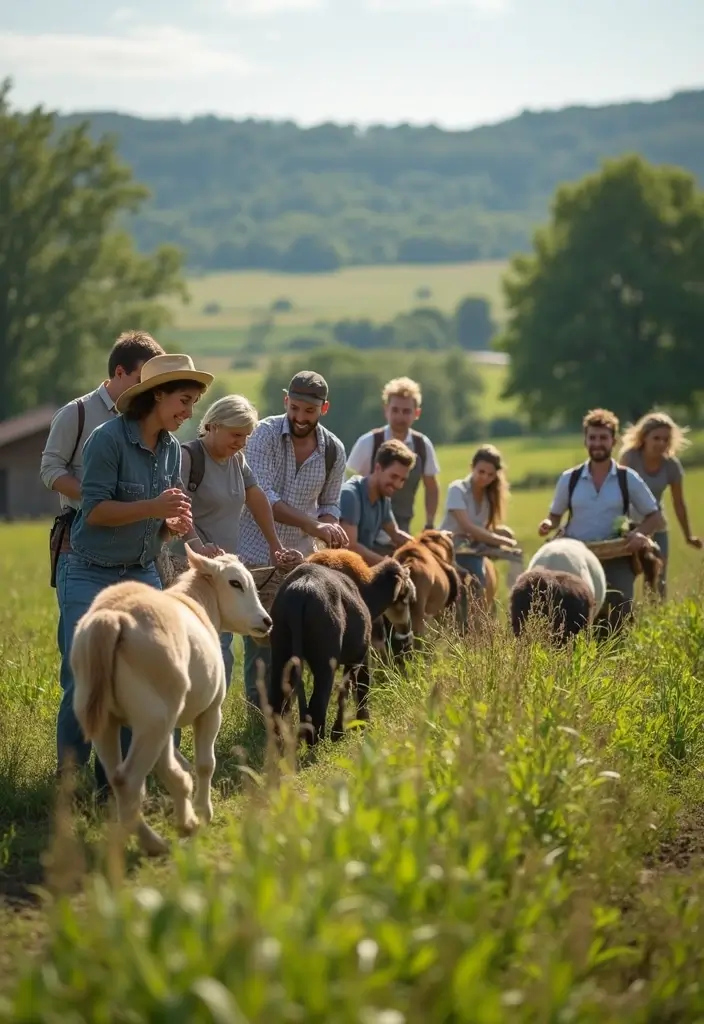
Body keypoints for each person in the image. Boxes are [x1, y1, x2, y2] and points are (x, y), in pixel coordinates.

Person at [58, 353, 213, 799]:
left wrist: (172, 524)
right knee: (85, 675)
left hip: (142, 570)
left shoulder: (169, 449)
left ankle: (128, 784)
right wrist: (154, 508)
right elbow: (96, 510)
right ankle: (69, 782)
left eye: (193, 403)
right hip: (87, 570)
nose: (189, 413)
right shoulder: (106, 440)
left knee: (153, 675)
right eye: (184, 401)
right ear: (157, 395)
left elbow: (155, 520)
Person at [39, 330, 166, 794]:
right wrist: (98, 495)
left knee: (135, 673)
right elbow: (50, 469)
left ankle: (119, 782)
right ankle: (68, 780)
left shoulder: (152, 426)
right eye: (139, 378)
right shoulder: (76, 414)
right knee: (82, 671)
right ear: (119, 374)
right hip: (82, 549)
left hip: (134, 555)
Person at [236, 371, 348, 711]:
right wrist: (315, 526)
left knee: (298, 638)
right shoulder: (264, 435)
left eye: (309, 412)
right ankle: (260, 716)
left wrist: (330, 527)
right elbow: (262, 497)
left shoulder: (334, 450)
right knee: (261, 640)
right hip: (256, 552)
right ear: (286, 400)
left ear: (324, 408)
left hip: (301, 563)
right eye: (295, 408)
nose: (300, 418)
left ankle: (286, 712)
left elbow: (330, 503)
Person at [173, 393, 300, 688]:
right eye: (236, 435)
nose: (241, 443)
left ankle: (207, 719)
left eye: (246, 436)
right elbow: (177, 506)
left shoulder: (237, 460)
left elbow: (257, 500)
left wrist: (275, 545)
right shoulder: (187, 457)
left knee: (220, 651)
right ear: (213, 426)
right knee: (191, 647)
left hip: (223, 574)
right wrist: (195, 544)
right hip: (188, 569)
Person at [539, 408, 665, 630]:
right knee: (574, 615)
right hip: (577, 558)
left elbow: (654, 515)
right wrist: (548, 524)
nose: (598, 443)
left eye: (603, 438)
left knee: (620, 611)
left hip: (617, 554)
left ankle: (618, 661)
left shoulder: (628, 478)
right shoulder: (570, 478)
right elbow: (555, 515)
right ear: (585, 441)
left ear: (613, 441)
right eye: (593, 437)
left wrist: (640, 533)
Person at [346, 377, 441, 552]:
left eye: (406, 411)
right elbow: (348, 482)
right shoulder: (369, 442)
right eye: (395, 410)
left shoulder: (423, 445)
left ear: (416, 413)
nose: (400, 416)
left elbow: (432, 487)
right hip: (363, 532)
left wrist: (429, 523)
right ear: (386, 410)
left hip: (399, 526)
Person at [619, 411, 702, 598]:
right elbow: (617, 492)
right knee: (625, 574)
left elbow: (679, 503)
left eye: (666, 439)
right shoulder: (630, 458)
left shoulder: (671, 466)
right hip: (629, 525)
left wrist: (688, 536)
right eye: (656, 438)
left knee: (658, 577)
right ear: (644, 437)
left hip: (657, 525)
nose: (661, 443)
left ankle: (656, 617)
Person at [439, 444, 524, 599]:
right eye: (481, 472)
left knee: (514, 551)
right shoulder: (457, 489)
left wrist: (506, 535)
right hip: (451, 547)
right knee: (478, 578)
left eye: (490, 475)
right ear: (472, 468)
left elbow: (483, 527)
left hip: (472, 546)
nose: (485, 477)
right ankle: (474, 611)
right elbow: (467, 526)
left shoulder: (489, 497)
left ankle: (517, 593)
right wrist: (502, 540)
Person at [340, 439, 416, 566]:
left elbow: (395, 534)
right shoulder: (351, 495)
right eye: (394, 477)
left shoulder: (383, 498)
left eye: (403, 480)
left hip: (360, 568)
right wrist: (389, 564)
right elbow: (350, 546)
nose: (398, 485)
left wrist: (424, 548)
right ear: (378, 468)